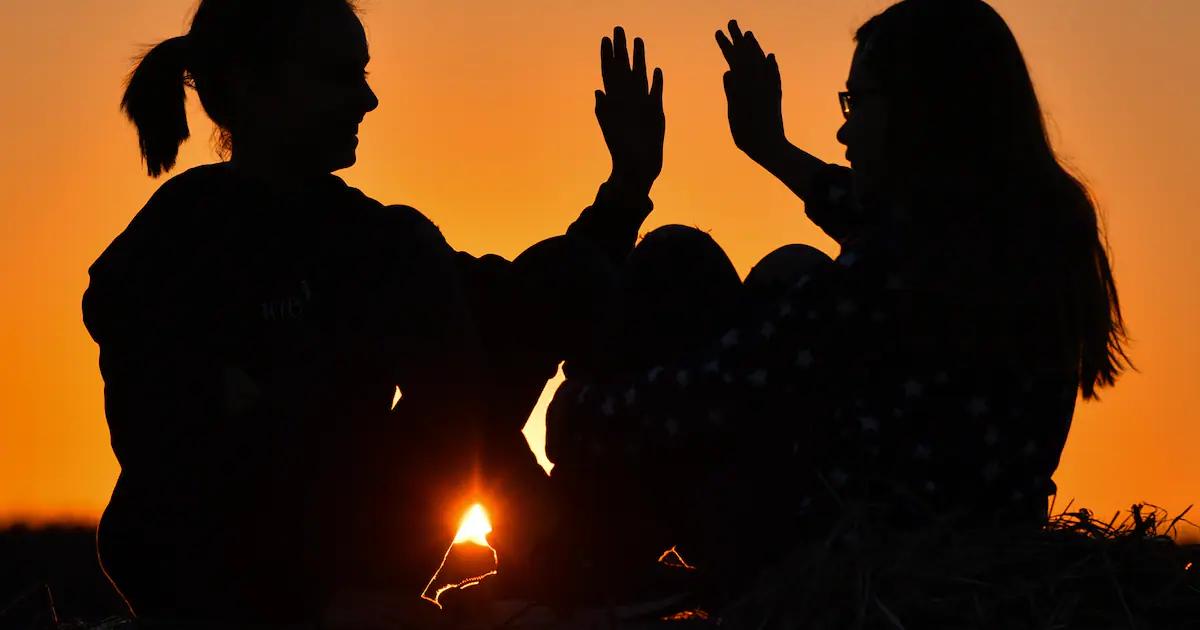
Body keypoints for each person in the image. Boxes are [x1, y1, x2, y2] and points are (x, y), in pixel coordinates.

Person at [83, 0, 664, 622]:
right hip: (226, 574)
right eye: (340, 76)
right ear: (253, 90)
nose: (368, 101)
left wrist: (626, 189)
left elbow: (520, 306)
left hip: (357, 547)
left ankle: (568, 552)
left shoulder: (375, 241)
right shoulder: (174, 246)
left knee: (531, 283)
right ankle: (557, 559)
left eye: (364, 75)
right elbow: (162, 481)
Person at [545, 0, 1130, 589]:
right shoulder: (1028, 229)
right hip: (971, 548)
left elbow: (726, 384)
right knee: (791, 268)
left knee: (681, 259)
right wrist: (768, 146)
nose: (843, 130)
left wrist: (580, 413)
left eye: (858, 103)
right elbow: (867, 214)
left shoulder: (891, 273)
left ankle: (569, 559)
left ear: (920, 113)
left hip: (842, 554)